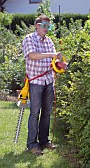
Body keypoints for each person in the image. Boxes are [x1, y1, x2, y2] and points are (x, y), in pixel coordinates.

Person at [22, 14, 62, 156]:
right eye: (44, 26)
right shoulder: (29, 39)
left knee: (46, 113)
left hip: (49, 81)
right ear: (37, 25)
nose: (46, 28)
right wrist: (51, 55)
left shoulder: (49, 41)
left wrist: (60, 64)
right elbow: (32, 55)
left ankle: (44, 141)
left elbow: (54, 62)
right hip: (35, 82)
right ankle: (32, 144)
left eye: (48, 26)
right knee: (34, 113)